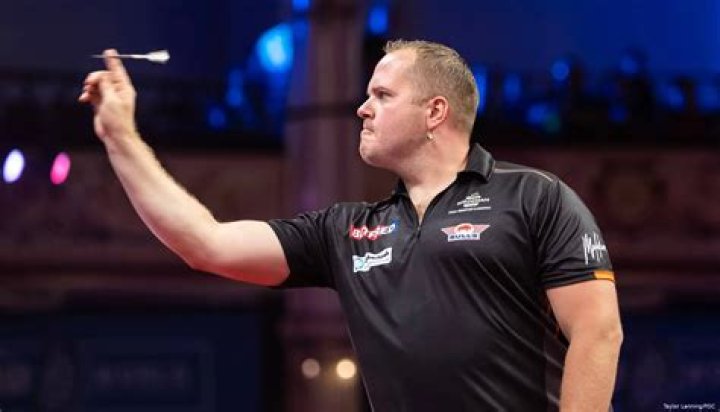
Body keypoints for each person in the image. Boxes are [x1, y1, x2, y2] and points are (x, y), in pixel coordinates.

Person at [79, 40, 623, 411]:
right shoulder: (346, 231)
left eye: (382, 96)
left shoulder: (534, 197)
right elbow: (206, 243)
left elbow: (598, 332)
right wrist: (120, 137)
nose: (362, 108)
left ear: (435, 112)